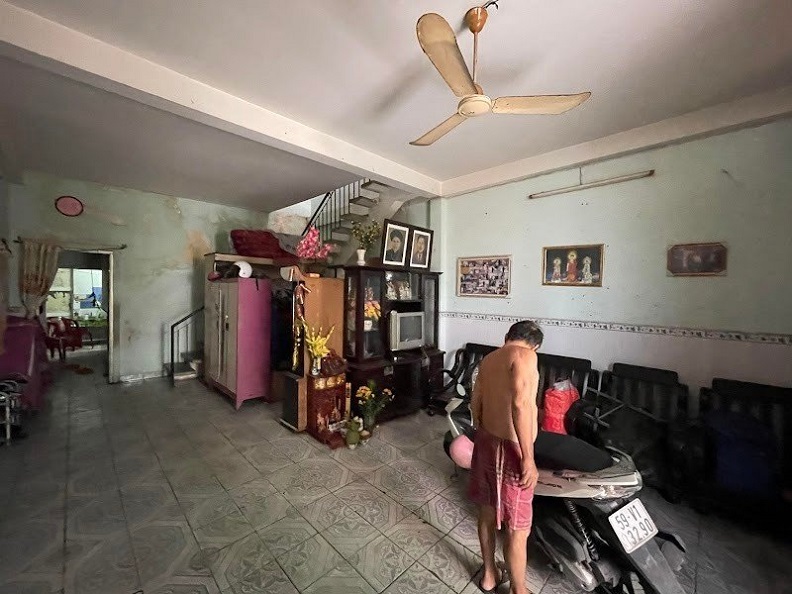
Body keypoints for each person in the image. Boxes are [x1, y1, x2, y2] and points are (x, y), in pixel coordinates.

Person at [469, 320, 543, 594]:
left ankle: (489, 575)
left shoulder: (489, 359)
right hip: (512, 450)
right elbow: (521, 405)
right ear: (535, 345)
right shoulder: (526, 355)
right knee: (517, 528)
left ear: (507, 336)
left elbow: (476, 402)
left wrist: (485, 433)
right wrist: (528, 458)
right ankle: (519, 590)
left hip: (486, 441)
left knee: (487, 512)